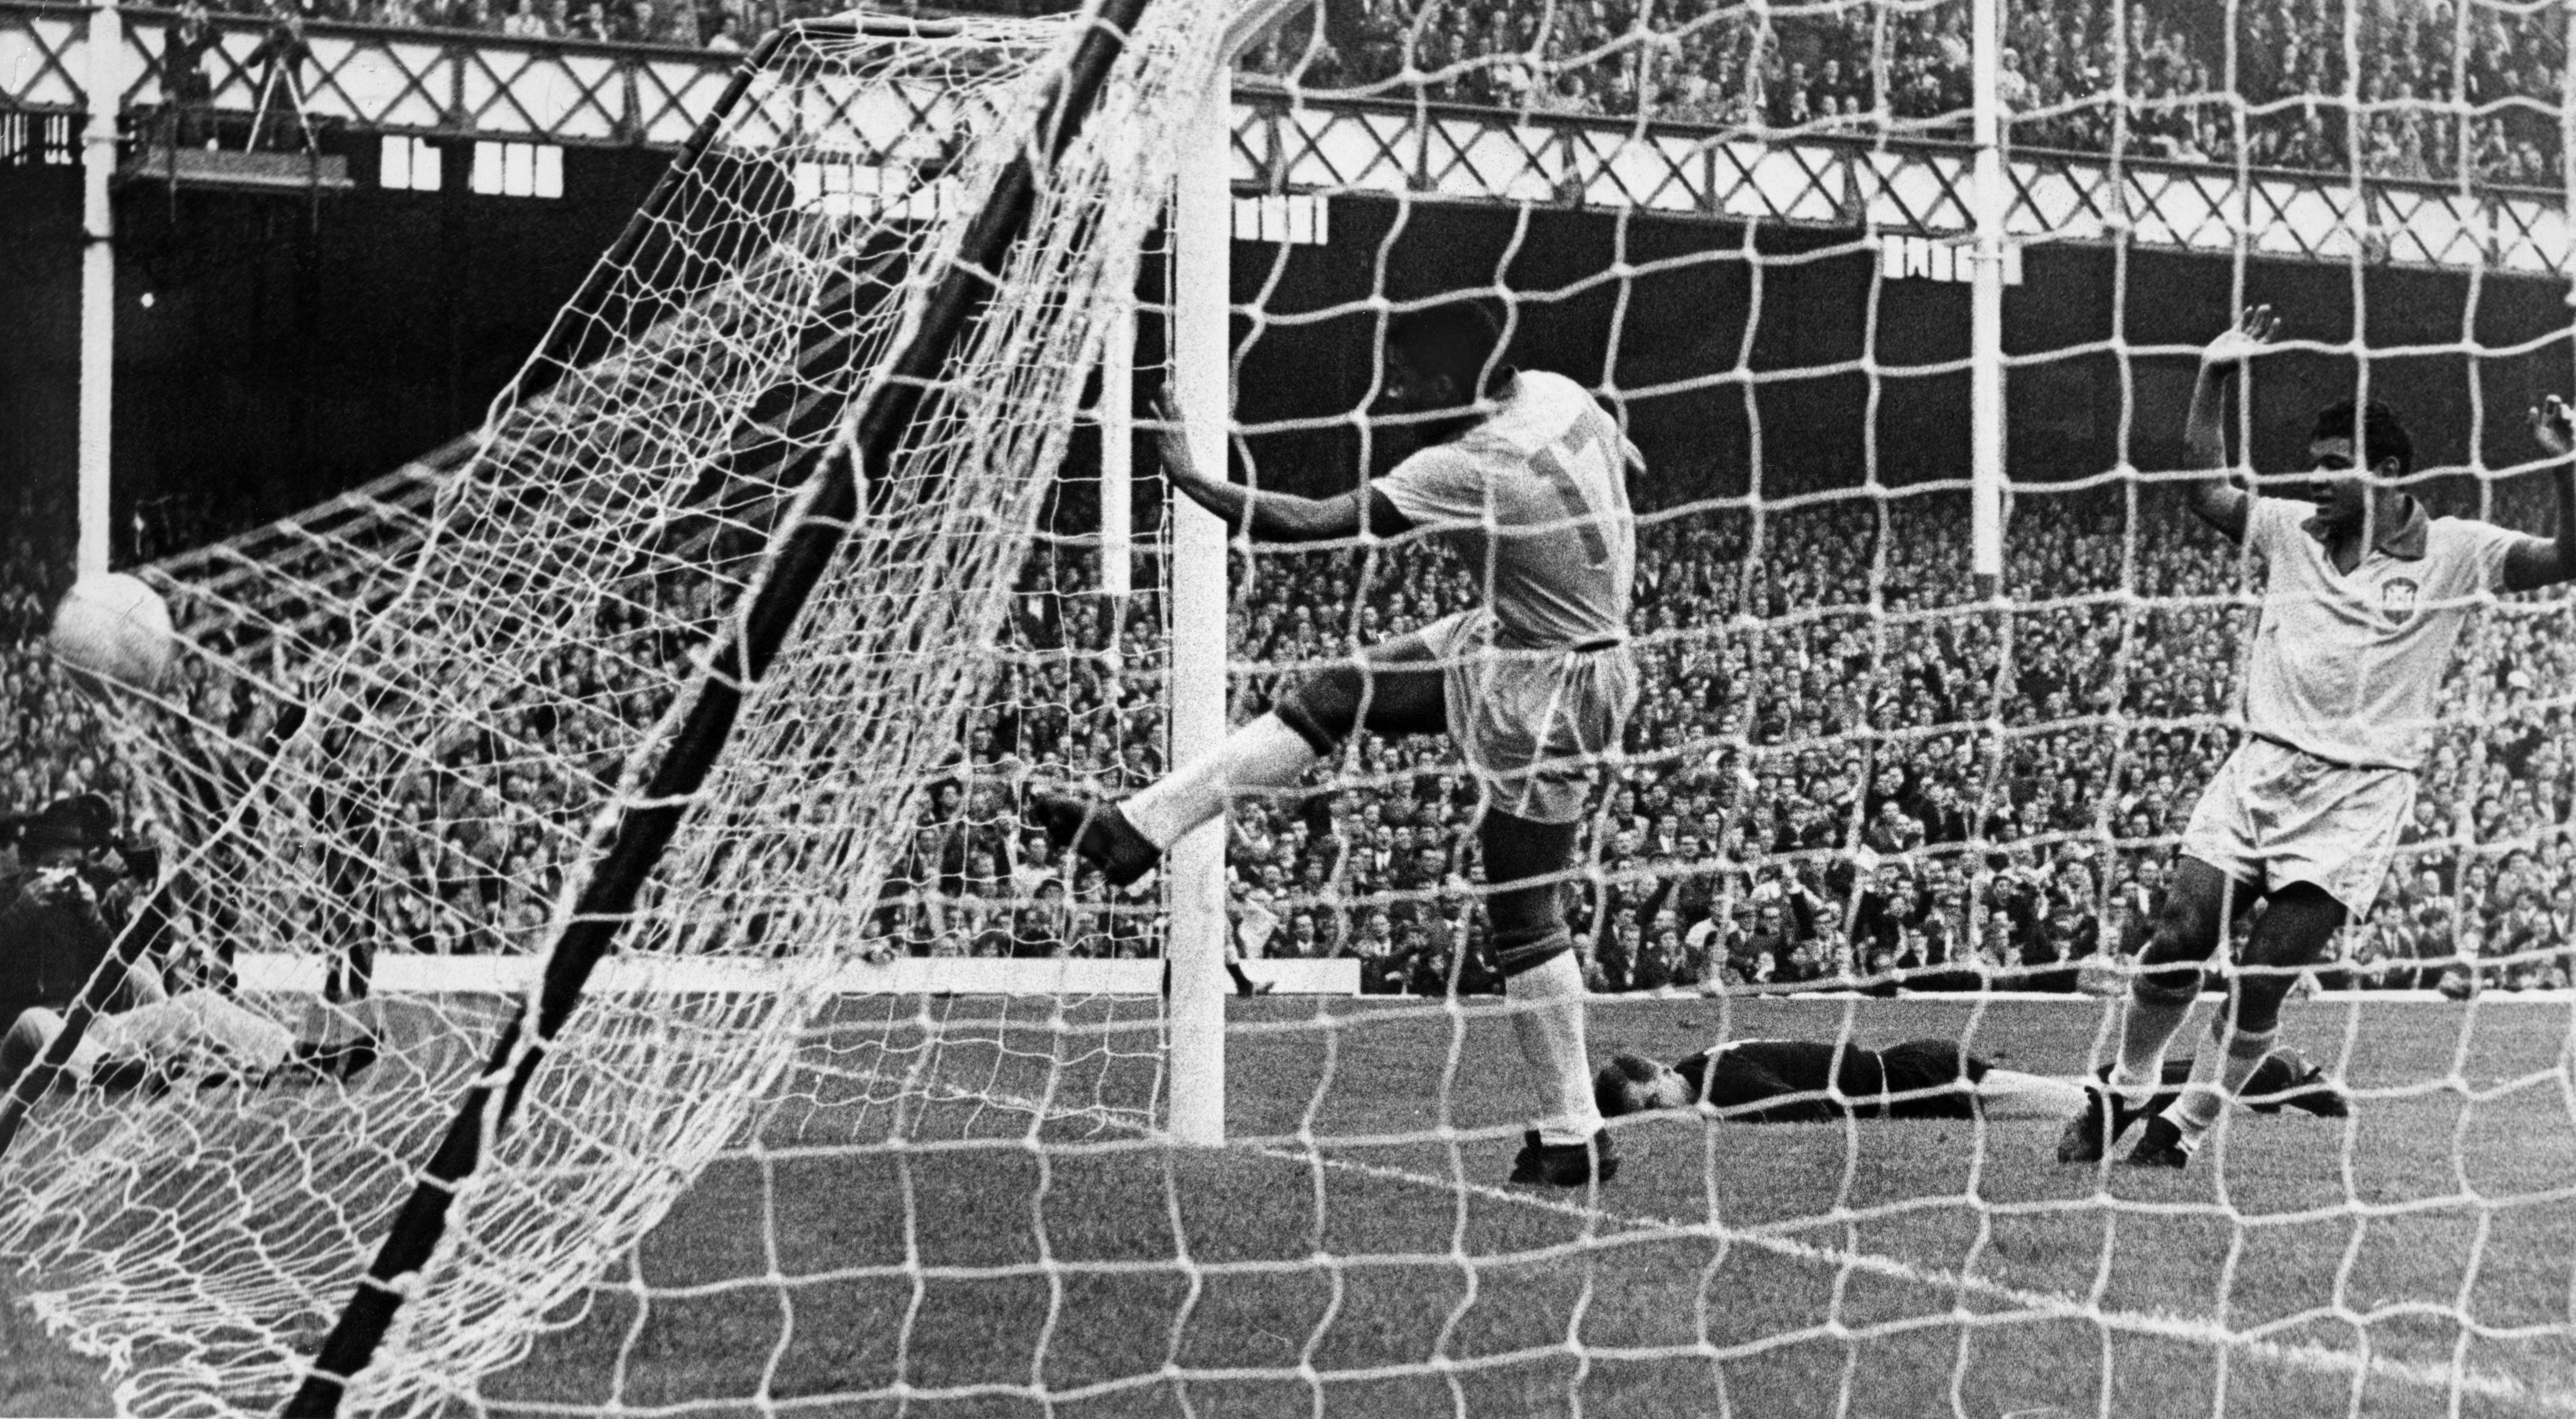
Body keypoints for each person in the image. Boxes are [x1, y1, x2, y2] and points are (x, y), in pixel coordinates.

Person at [1037, 299, 1641, 1186]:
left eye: (1402, 375)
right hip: (1513, 635)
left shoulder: (1469, 463)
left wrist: (1185, 472)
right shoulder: (1555, 392)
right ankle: (1136, 828)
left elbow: (1308, 523)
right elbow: (1622, 450)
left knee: (1524, 912)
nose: (1388, 390)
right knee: (1337, 690)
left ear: (1446, 380)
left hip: (1550, 686)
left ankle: (1573, 1132)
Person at [2062, 304, 2576, 1169]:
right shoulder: (2287, 531)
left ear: (2388, 473)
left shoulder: (2453, 549)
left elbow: (2567, 559)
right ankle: (2127, 1088)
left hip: (2362, 790)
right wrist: (2214, 376)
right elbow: (2209, 492)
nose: (2316, 481)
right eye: (2314, 466)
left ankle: (2181, 1129)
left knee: (2264, 971)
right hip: (2261, 766)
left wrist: (2567, 461)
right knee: (2180, 934)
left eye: (2335, 468)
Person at [0, 795, 375, 1098]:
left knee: (191, 1000)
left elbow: (109, 971)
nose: (62, 876)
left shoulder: (79, 902)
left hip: (84, 1033)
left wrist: (90, 916)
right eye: (56, 866)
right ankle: (122, 1073)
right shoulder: (10, 894)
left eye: (72, 866)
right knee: (36, 1020)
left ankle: (298, 1055)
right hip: (16, 1045)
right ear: (35, 858)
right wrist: (21, 913)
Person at [1598, 1037, 2347, 1127]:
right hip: (1923, 1082)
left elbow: (1804, 1109)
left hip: (1927, 1075)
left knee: (2102, 1099)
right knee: (2095, 1089)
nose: (1657, 1111)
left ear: (1663, 1072)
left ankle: (2273, 1074)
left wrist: (1696, 1116)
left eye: (1651, 1102)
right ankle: (2268, 1076)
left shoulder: (1718, 1072)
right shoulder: (1712, 1068)